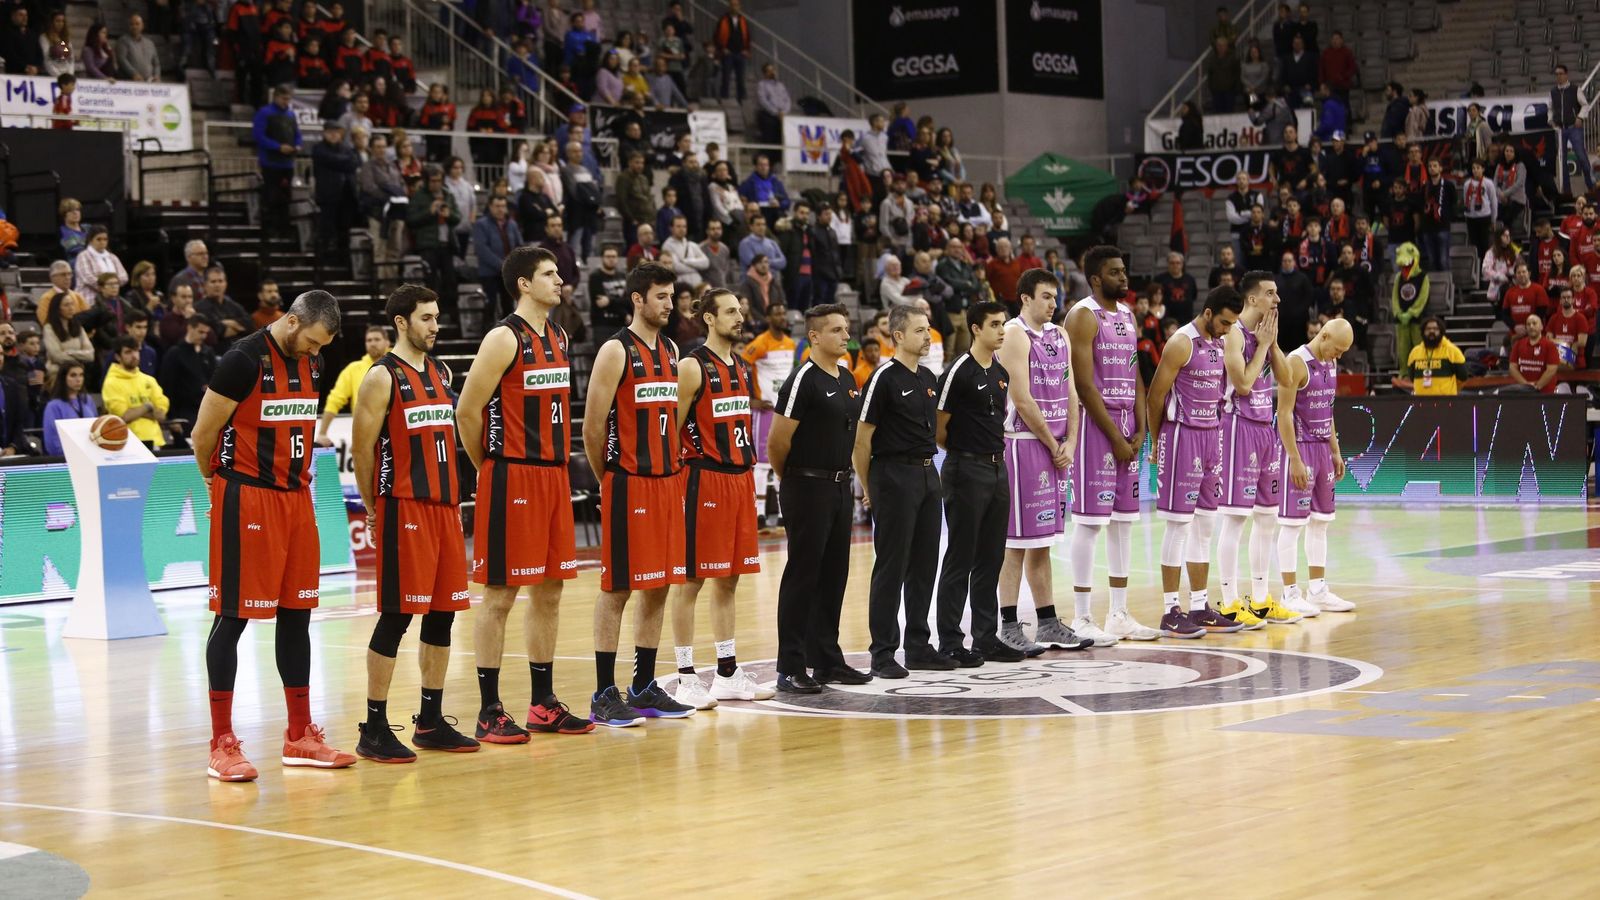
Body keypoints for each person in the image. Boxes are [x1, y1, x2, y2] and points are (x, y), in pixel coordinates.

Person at [190, 291, 353, 782]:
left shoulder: (313, 362)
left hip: (297, 501)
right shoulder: (242, 360)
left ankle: (299, 735)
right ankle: (221, 742)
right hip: (248, 497)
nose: (313, 353)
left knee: (297, 616)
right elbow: (202, 434)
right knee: (234, 617)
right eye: (310, 342)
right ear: (291, 320)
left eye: (321, 347)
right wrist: (216, 483)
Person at [455, 247, 595, 741]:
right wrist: (490, 469)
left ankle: (542, 703)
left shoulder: (557, 335)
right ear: (523, 284)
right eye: (550, 274)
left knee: (550, 591)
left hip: (553, 476)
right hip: (511, 475)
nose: (561, 280)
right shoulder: (502, 338)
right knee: (499, 594)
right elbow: (467, 412)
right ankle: (489, 708)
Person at [347, 285, 480, 762]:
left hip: (445, 508)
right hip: (404, 507)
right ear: (401, 323)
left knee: (442, 615)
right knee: (397, 616)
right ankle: (375, 725)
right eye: (426, 318)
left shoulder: (443, 372)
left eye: (437, 317)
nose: (435, 325)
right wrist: (372, 504)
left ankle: (430, 719)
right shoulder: (382, 378)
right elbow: (363, 449)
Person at [581, 262, 697, 726]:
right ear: (637, 299)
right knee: (618, 589)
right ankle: (604, 692)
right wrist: (609, 477)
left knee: (660, 585)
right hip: (630, 482)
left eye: (672, 296)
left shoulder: (671, 349)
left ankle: (644, 686)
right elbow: (592, 426)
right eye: (662, 297)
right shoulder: (615, 351)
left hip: (669, 482)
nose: (671, 305)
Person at [668, 289, 773, 709]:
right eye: (731, 311)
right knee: (692, 579)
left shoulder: (743, 367)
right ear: (708, 318)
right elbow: (670, 429)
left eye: (740, 309)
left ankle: (727, 672)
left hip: (739, 477)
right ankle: (686, 676)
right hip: (702, 479)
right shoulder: (692, 367)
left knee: (729, 579)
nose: (739, 315)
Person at [986, 270, 1089, 655]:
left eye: (1055, 296)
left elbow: (1071, 392)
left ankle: (1047, 622)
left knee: (1042, 542)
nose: (1053, 303)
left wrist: (1073, 441)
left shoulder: (1060, 335)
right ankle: (1008, 625)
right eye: (1045, 296)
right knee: (1015, 542)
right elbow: (1022, 398)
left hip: (1056, 449)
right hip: (1024, 445)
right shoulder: (1014, 334)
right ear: (1025, 299)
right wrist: (1052, 442)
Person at [768, 304, 867, 692]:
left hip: (839, 488)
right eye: (838, 330)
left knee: (834, 575)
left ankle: (826, 660)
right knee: (802, 575)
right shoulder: (801, 381)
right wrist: (794, 479)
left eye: (846, 329)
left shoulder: (845, 377)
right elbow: (777, 442)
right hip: (806, 486)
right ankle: (789, 666)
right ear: (814, 336)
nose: (846, 336)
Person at [1145, 286, 1247, 638]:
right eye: (1223, 321)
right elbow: (1155, 396)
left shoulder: (1221, 343)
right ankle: (1170, 610)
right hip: (1181, 436)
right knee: (1178, 525)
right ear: (1207, 313)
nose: (1226, 329)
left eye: (1232, 324)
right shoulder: (1180, 342)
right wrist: (1156, 441)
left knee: (1205, 524)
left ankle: (1200, 606)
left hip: (1211, 436)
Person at [853, 304, 945, 676]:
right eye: (920, 330)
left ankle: (919, 645)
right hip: (893, 476)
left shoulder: (928, 377)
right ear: (898, 336)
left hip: (927, 474)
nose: (927, 336)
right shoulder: (883, 378)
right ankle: (883, 651)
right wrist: (869, 486)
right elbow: (861, 441)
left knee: (925, 564)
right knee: (892, 565)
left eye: (928, 329)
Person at [932, 300, 1025, 662]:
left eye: (1004, 324)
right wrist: (965, 454)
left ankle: (986, 637)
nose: (1003, 330)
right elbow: (940, 428)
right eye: (995, 324)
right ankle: (951, 641)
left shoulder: (1001, 373)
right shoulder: (958, 371)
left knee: (991, 557)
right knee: (961, 555)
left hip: (997, 469)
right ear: (975, 329)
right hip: (965, 469)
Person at [1066, 247, 1148, 646]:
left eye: (1124, 269)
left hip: (1126, 424)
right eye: (1115, 272)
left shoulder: (1128, 316)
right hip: (1095, 429)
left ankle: (1118, 613)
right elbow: (1082, 384)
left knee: (1123, 523)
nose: (1124, 277)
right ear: (1096, 279)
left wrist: (1141, 425)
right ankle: (1082, 616)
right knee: (1089, 521)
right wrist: (1114, 436)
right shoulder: (1082, 315)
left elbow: (1134, 373)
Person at [1211, 271, 1297, 627]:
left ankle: (1261, 599)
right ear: (1252, 300)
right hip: (1237, 427)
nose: (1277, 300)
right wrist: (1261, 345)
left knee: (1267, 519)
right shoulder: (1232, 333)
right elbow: (1243, 385)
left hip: (1265, 429)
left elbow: (1287, 379)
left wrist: (1272, 343)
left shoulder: (1265, 333)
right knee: (1234, 519)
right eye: (1270, 294)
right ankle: (1230, 600)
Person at [1275, 317, 1356, 616]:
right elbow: (1283, 413)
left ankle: (1318, 590)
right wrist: (1293, 457)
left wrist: (1335, 451)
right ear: (1324, 336)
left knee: (1321, 522)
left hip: (1323, 450)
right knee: (1293, 524)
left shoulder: (1330, 363)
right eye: (1338, 348)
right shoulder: (1296, 362)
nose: (1340, 355)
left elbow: (1328, 409)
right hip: (1300, 449)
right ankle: (1289, 593)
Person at [314, 325, 390, 446]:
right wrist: (322, 433)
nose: (372, 343)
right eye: (369, 340)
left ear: (387, 342)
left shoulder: (399, 366)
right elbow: (335, 400)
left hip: (395, 433)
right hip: (365, 437)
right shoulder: (353, 369)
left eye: (377, 339)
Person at [254, 86, 302, 236]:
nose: (286, 102)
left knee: (285, 196)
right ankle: (269, 228)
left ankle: (283, 226)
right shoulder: (264, 113)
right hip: (270, 162)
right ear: (276, 97)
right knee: (271, 196)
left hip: (287, 163)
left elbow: (297, 133)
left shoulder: (291, 115)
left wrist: (297, 145)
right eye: (284, 99)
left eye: (288, 99)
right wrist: (278, 147)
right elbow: (258, 136)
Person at [159, 316, 217, 424]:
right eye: (200, 332)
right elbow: (167, 386)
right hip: (184, 411)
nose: (203, 336)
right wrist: (172, 417)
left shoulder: (208, 352)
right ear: (190, 328)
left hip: (206, 410)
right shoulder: (175, 353)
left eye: (206, 333)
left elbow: (214, 379)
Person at [1395, 316, 1469, 395]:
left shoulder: (1453, 351)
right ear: (1422, 332)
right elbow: (1412, 377)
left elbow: (1463, 377)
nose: (1432, 331)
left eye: (1435, 329)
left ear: (1441, 331)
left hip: (1445, 402)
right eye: (1428, 329)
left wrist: (1451, 391)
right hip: (1421, 402)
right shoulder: (1414, 353)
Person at [1552, 64, 1596, 196]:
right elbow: (1550, 108)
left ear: (1566, 74)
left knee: (1582, 157)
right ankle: (1567, 191)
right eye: (1557, 74)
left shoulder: (1575, 89)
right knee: (1562, 161)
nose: (1558, 76)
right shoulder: (1553, 92)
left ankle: (1591, 186)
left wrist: (1580, 117)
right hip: (1560, 129)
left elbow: (1585, 105)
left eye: (1561, 73)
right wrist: (1551, 121)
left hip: (1573, 128)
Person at [40, 362, 96, 456]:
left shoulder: (87, 400)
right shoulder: (53, 406)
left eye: (81, 375)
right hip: (66, 459)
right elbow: (52, 442)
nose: (78, 379)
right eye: (73, 375)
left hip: (91, 455)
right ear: (63, 378)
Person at [1508, 314, 1563, 393]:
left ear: (1541, 326)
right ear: (1526, 328)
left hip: (1546, 393)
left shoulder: (1550, 346)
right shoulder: (1518, 344)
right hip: (1523, 392)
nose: (1531, 326)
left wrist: (1537, 386)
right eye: (1528, 324)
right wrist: (1526, 385)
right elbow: (1512, 368)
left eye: (1534, 323)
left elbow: (1551, 369)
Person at [714, 0, 751, 101]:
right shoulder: (723, 20)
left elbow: (747, 36)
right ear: (729, 6)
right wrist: (722, 49)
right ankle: (724, 99)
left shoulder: (743, 20)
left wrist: (746, 50)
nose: (734, 7)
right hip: (728, 53)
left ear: (739, 7)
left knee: (741, 79)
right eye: (732, 5)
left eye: (736, 5)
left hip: (740, 53)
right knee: (726, 78)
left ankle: (741, 100)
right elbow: (717, 36)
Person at [117, 14, 161, 81]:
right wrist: (133, 74)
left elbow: (156, 63)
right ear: (129, 26)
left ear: (142, 26)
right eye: (132, 24)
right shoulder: (123, 41)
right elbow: (122, 60)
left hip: (149, 83)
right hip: (130, 81)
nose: (134, 26)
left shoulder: (150, 43)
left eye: (137, 24)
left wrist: (156, 75)